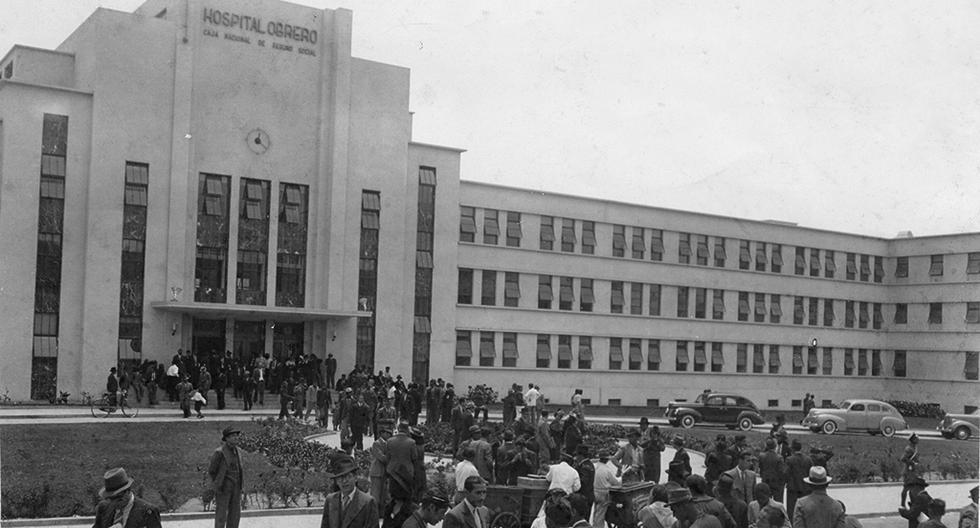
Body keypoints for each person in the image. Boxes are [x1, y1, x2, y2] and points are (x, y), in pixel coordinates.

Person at [320, 455, 379, 528]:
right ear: (336, 481)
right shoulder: (330, 500)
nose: (344, 481)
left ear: (355, 477)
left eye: (348, 476)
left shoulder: (368, 502)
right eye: (340, 478)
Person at [92, 467, 162, 528]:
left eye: (119, 499)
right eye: (110, 499)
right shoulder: (103, 508)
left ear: (128, 491)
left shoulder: (148, 512)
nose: (114, 503)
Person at [208, 427, 245, 528]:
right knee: (221, 513)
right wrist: (218, 482)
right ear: (226, 438)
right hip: (224, 486)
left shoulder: (238, 451)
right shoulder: (219, 452)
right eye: (233, 436)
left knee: (235, 512)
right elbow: (212, 470)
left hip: (236, 486)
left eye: (237, 436)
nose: (236, 438)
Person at [593, 448, 622, 528]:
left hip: (595, 492)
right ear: (606, 460)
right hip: (604, 493)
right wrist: (622, 477)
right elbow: (616, 482)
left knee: (596, 512)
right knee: (601, 514)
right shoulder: (606, 470)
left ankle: (594, 525)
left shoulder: (595, 467)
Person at [785, 439, 812, 517]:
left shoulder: (789, 460)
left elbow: (786, 473)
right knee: (805, 510)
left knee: (791, 511)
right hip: (806, 488)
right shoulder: (808, 459)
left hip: (792, 489)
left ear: (792, 449)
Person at [757, 439, 785, 504]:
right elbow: (781, 471)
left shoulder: (762, 456)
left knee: (765, 501)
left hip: (765, 481)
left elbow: (761, 468)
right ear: (775, 446)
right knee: (777, 502)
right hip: (776, 483)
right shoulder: (779, 457)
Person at [370, 426, 391, 507]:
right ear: (382, 433)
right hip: (377, 472)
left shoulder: (388, 443)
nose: (389, 435)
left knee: (384, 495)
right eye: (387, 433)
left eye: (390, 433)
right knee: (375, 495)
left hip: (383, 473)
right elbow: (382, 458)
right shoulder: (376, 443)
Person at [901, 434, 922, 508]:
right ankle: (903, 504)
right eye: (916, 438)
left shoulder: (914, 448)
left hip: (913, 471)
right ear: (913, 440)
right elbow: (903, 459)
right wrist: (912, 463)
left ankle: (913, 504)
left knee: (913, 488)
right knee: (906, 488)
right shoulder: (909, 449)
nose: (918, 440)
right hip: (908, 471)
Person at [574, 444, 596, 514]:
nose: (576, 457)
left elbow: (583, 482)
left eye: (576, 455)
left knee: (581, 518)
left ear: (580, 456)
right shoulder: (589, 464)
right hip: (588, 496)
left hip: (583, 498)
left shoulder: (584, 467)